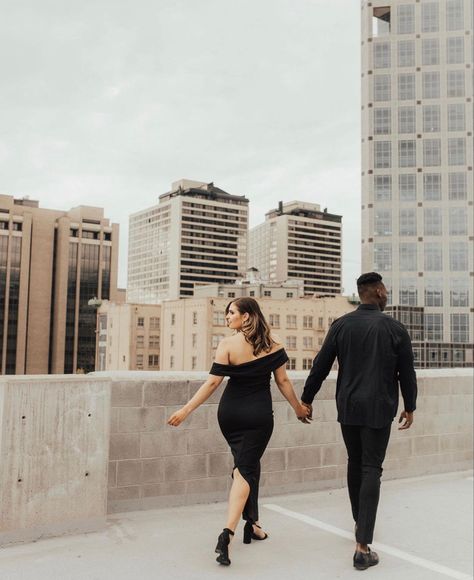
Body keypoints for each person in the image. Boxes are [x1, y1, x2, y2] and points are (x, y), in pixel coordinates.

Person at [167, 297, 310, 566]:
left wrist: (185, 410)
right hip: (258, 416)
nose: (227, 317)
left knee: (247, 466)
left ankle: (253, 524)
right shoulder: (274, 342)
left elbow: (212, 384)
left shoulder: (227, 345)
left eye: (231, 312)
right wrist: (298, 408)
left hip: (230, 415)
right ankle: (228, 533)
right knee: (245, 469)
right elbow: (282, 381)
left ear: (247, 316)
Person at [300, 272, 417, 571]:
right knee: (371, 468)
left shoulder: (341, 325)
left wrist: (307, 399)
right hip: (379, 408)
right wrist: (410, 406)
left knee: (355, 462)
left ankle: (358, 523)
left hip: (349, 407)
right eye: (385, 289)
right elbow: (407, 372)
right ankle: (362, 546)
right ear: (377, 291)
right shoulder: (394, 328)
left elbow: (321, 365)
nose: (386, 292)